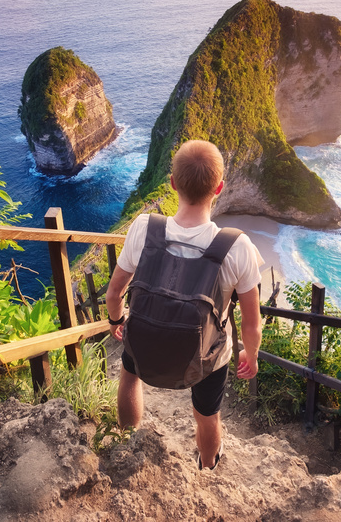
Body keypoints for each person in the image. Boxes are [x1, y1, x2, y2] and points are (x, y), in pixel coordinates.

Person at [106, 139, 263, 470]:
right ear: (219, 188)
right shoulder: (237, 247)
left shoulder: (144, 228)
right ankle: (207, 466)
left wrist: (116, 321)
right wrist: (250, 354)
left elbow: (114, 291)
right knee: (207, 415)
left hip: (144, 337)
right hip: (207, 355)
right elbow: (252, 322)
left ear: (173, 183)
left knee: (129, 377)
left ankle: (127, 441)